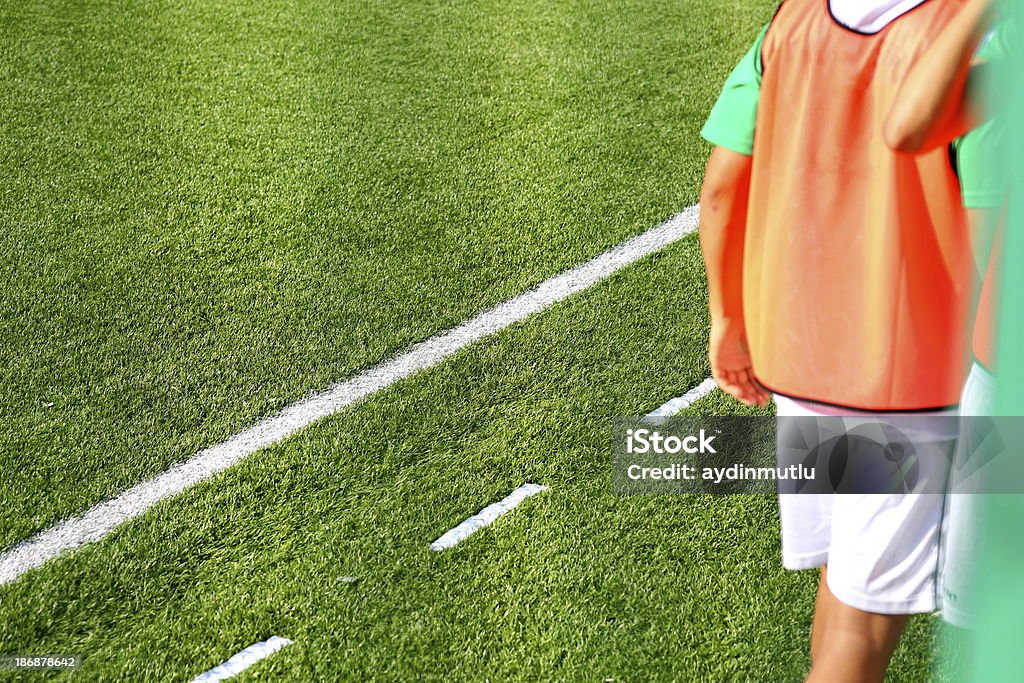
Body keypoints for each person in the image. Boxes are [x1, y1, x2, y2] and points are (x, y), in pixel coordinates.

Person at [698, 1, 983, 680]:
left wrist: (726, 319)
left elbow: (719, 189)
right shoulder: (965, 39)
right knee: (862, 632)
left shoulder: (792, 20)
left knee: (845, 586)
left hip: (796, 355)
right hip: (902, 373)